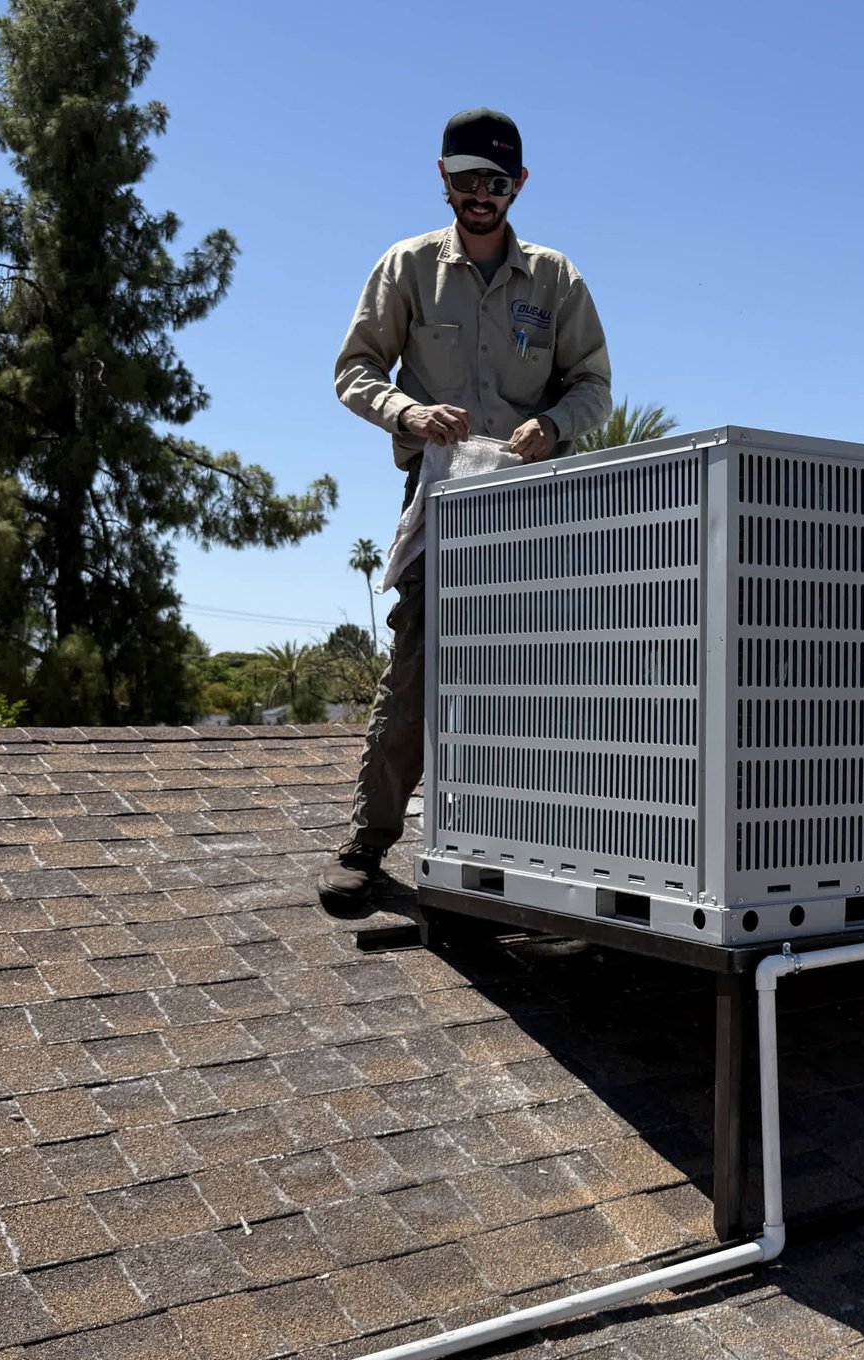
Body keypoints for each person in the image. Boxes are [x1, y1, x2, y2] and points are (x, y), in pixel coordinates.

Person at [321, 107, 611, 907]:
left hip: (537, 508)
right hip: (443, 501)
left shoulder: (556, 278)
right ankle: (368, 842)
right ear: (441, 179)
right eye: (464, 179)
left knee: (549, 676)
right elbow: (354, 370)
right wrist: (410, 414)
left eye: (494, 180)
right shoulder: (408, 267)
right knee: (416, 670)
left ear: (518, 184)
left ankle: (544, 853)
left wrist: (552, 426)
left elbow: (594, 384)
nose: (479, 194)